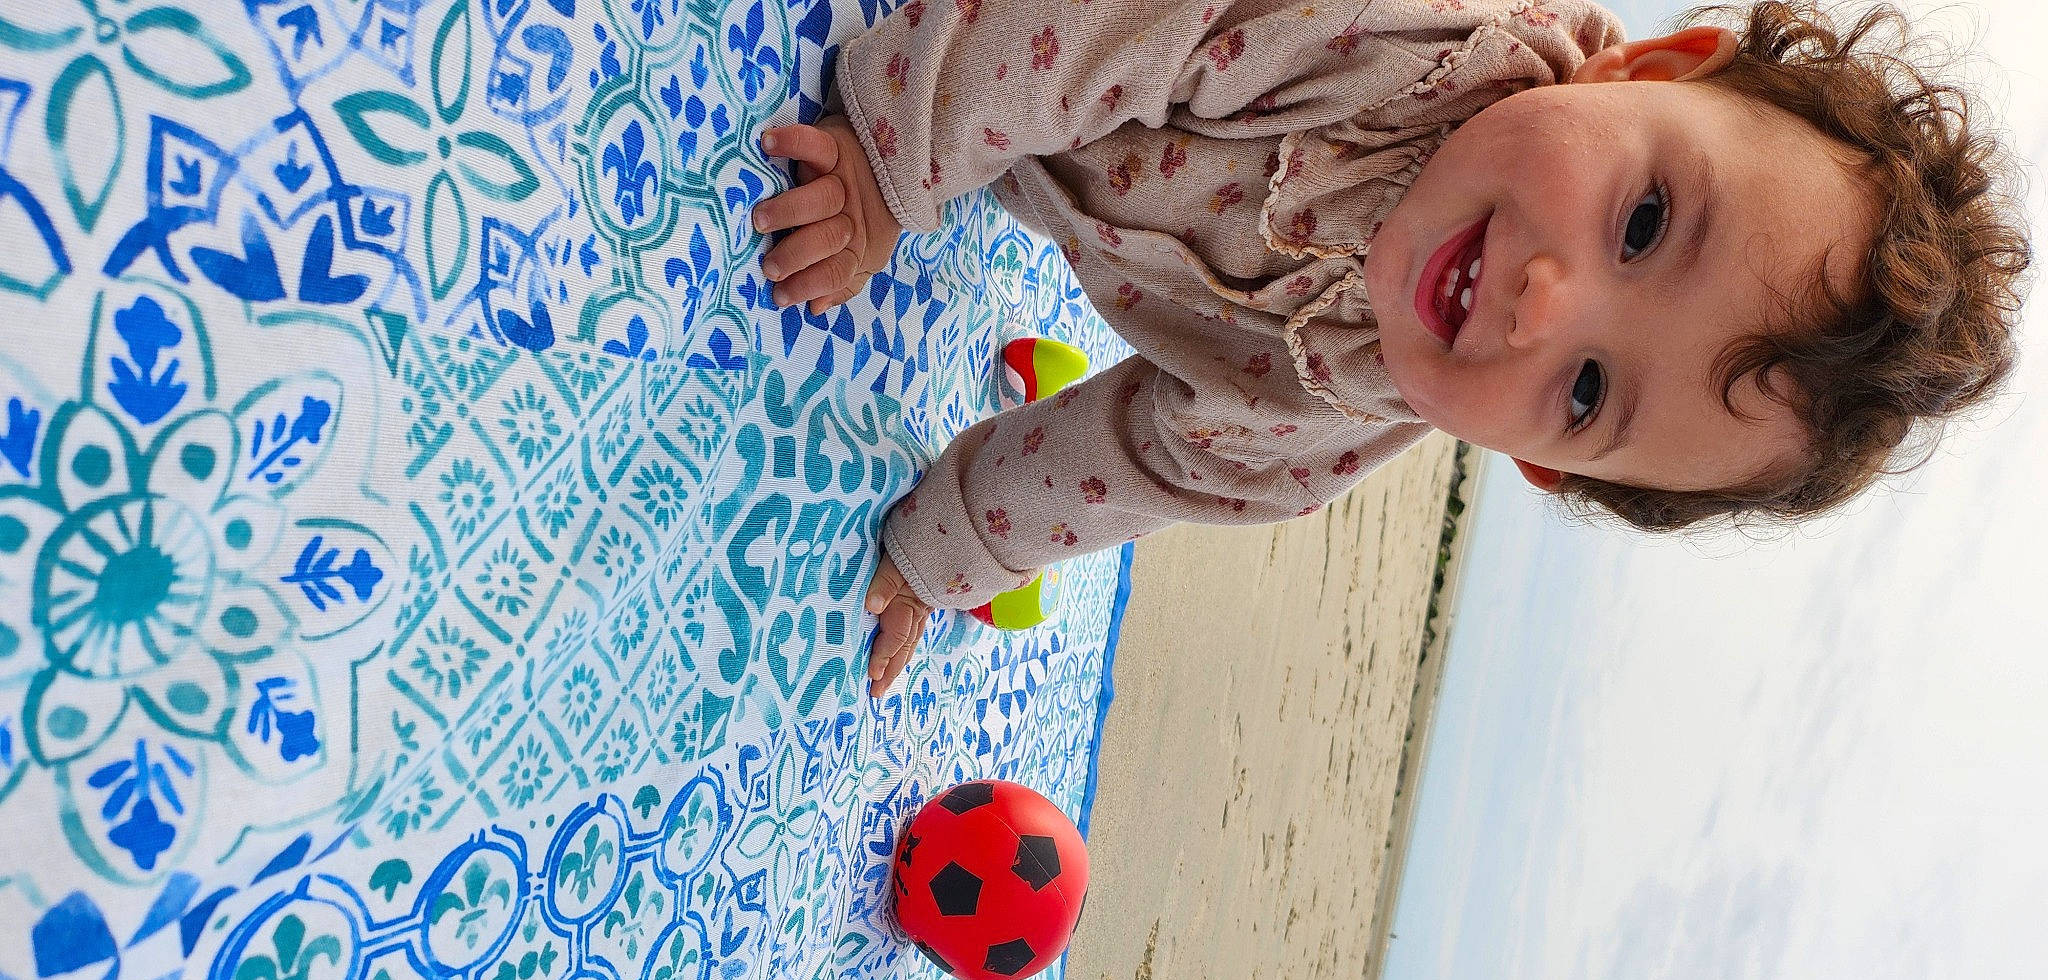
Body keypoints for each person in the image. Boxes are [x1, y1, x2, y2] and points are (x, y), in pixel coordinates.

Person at [747, 1, 2030, 694]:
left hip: (1040, 161)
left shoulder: (1322, 430)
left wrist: (949, 547)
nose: (1543, 302)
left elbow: (1130, 460)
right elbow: (1121, 25)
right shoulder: (1400, 42)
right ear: (1650, 66)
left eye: (1584, 392)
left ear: (1542, 466)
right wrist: (891, 158)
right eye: (1641, 220)